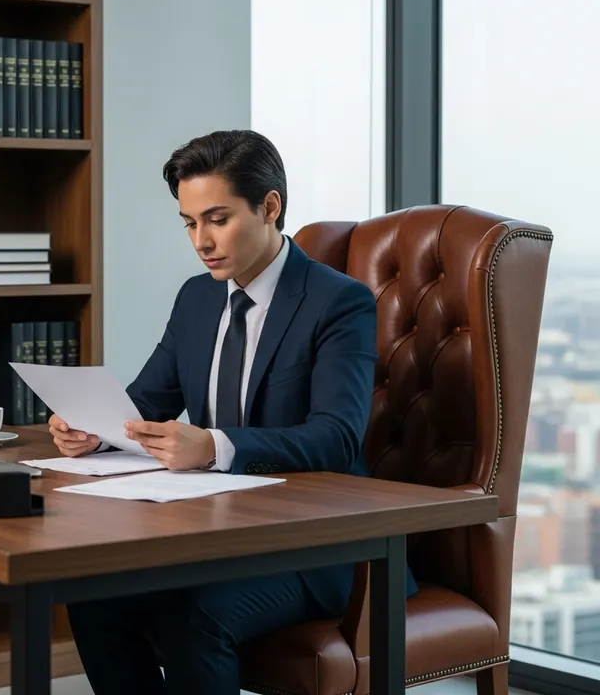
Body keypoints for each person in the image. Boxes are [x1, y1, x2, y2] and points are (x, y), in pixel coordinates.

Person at [48, 129, 416, 694]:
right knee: (94, 599)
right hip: (220, 533)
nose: (201, 240)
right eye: (190, 223)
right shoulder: (197, 297)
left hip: (318, 545)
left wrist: (215, 446)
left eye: (217, 219)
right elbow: (147, 403)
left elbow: (336, 437)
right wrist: (92, 430)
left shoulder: (337, 301)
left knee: (190, 616)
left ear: (270, 207)